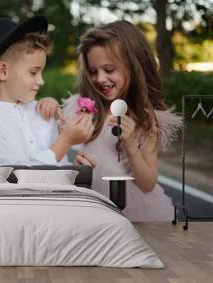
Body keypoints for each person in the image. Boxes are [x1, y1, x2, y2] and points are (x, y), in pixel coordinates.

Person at [62, 20, 182, 221]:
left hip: (138, 214)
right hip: (99, 210)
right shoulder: (85, 110)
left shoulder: (145, 119)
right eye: (93, 71)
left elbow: (147, 184)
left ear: (133, 66)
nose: (100, 78)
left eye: (109, 69)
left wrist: (130, 145)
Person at [0, 16, 94, 166]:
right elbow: (16, 177)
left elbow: (58, 165)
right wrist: (65, 141)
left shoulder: (43, 112)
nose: (41, 81)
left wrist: (74, 169)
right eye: (33, 73)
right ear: (3, 71)